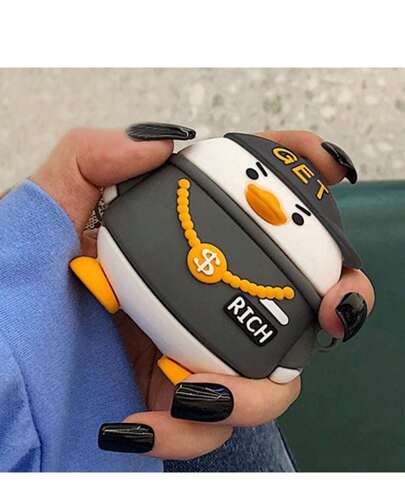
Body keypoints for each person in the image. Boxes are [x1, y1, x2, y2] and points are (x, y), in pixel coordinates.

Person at [0, 123, 374, 471]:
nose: (268, 203)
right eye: (253, 174)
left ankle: (164, 351)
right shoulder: (196, 178)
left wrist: (40, 246)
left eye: (297, 218)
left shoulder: (201, 178)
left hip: (118, 373)